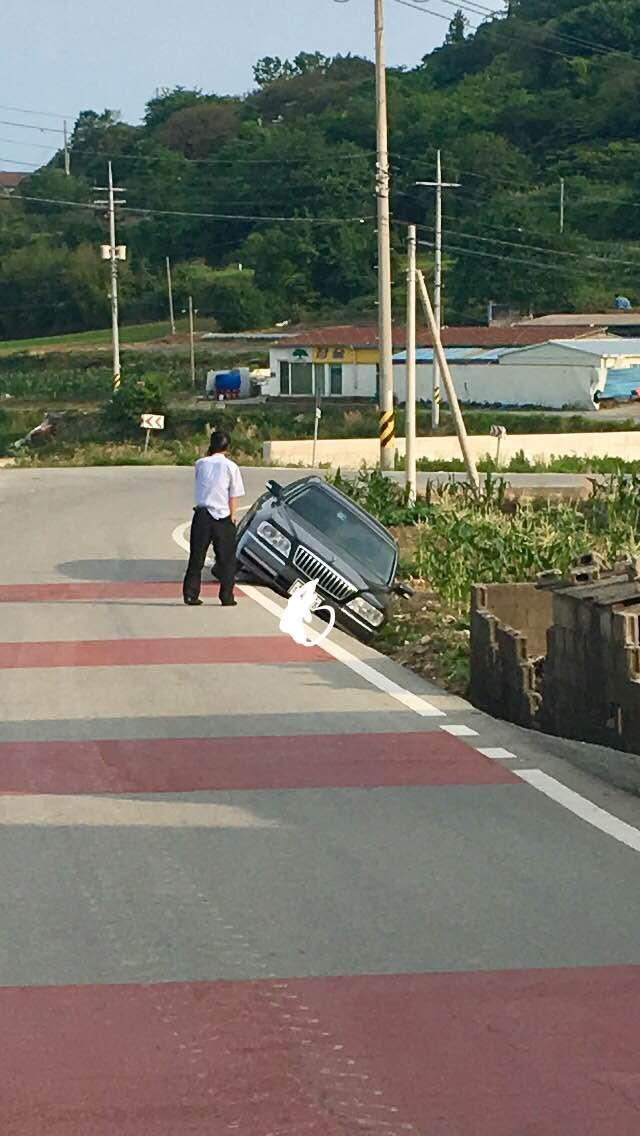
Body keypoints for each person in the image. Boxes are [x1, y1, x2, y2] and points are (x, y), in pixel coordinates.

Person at [183, 429, 245, 607]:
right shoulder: (231, 467)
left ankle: (190, 594)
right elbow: (233, 495)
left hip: (202, 514)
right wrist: (233, 517)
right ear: (228, 447)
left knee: (196, 557)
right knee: (226, 560)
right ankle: (226, 596)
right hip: (223, 516)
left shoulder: (200, 464)